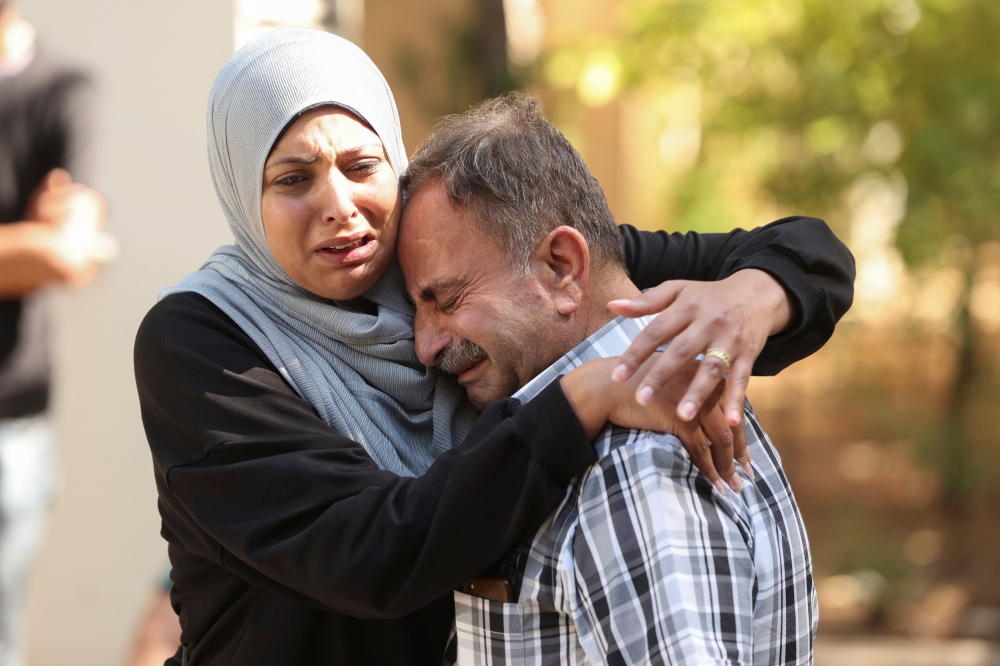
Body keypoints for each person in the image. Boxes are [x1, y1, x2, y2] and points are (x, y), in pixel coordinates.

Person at [133, 28, 850, 665]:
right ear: (240, 194)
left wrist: (750, 298)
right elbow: (367, 553)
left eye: (360, 166)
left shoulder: (461, 261)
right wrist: (583, 396)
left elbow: (779, 256)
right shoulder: (202, 341)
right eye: (292, 179)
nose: (337, 205)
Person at [399, 93, 815, 666]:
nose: (426, 345)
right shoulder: (615, 416)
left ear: (562, 269)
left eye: (445, 299)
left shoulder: (631, 464)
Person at [0, 3, 114, 664]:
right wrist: (29, 240)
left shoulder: (64, 89)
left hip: (11, 421)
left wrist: (50, 244)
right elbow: (47, 250)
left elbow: (68, 253)